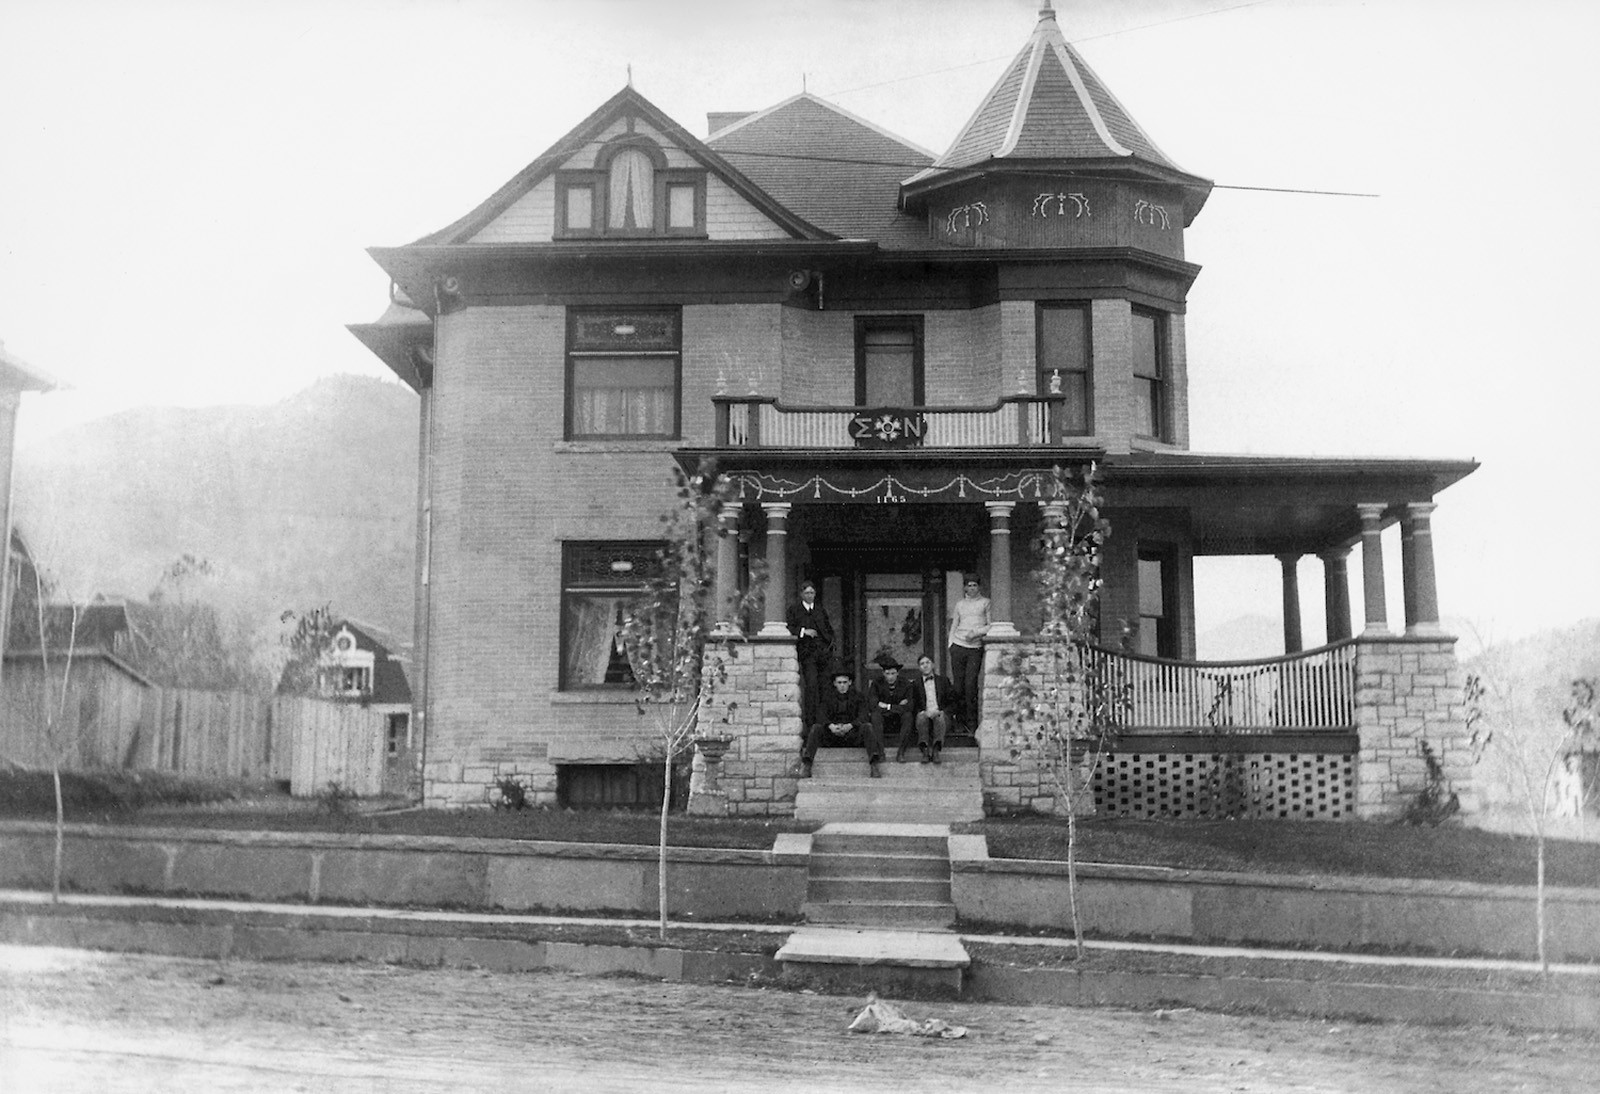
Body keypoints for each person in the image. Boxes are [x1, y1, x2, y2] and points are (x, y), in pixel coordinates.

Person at [801, 668, 884, 779]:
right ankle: (807, 765)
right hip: (832, 735)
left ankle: (874, 766)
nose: (842, 686)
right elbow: (821, 714)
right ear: (834, 683)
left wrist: (851, 725)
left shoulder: (858, 697)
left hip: (851, 735)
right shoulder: (827, 697)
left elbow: (863, 715)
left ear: (850, 682)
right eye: (839, 683)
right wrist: (830, 726)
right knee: (816, 728)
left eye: (845, 682)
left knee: (867, 727)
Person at [785, 580, 834, 735]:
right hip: (807, 654)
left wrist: (829, 644)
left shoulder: (820, 610)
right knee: (811, 687)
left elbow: (828, 629)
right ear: (801, 594)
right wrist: (803, 632)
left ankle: (824, 725)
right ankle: (811, 726)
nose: (810, 596)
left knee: (824, 688)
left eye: (812, 593)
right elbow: (789, 628)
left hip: (822, 654)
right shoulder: (794, 610)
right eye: (807, 593)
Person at [948, 575, 991, 734]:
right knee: (958, 687)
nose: (971, 588)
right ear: (965, 588)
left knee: (970, 685)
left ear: (979, 587)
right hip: (958, 646)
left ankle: (972, 723)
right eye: (969, 585)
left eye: (974, 585)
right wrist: (950, 644)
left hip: (975, 647)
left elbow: (991, 625)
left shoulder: (985, 602)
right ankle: (959, 722)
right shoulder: (960, 604)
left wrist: (976, 633)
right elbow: (954, 624)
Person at [911, 653, 957, 764]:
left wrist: (942, 711)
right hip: (924, 714)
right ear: (919, 667)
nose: (925, 666)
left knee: (940, 718)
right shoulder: (915, 684)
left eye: (928, 663)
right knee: (921, 718)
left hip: (940, 713)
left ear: (933, 665)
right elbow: (913, 703)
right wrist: (922, 712)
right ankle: (925, 750)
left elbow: (953, 702)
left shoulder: (943, 681)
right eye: (922, 664)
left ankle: (936, 750)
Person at [866, 658, 915, 761]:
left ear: (898, 673)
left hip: (898, 721)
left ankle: (901, 752)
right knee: (875, 716)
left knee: (908, 716)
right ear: (883, 673)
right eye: (887, 673)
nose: (890, 677)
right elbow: (873, 705)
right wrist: (898, 706)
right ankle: (881, 752)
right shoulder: (876, 684)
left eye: (893, 673)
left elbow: (909, 706)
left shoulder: (906, 684)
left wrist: (887, 706)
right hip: (883, 721)